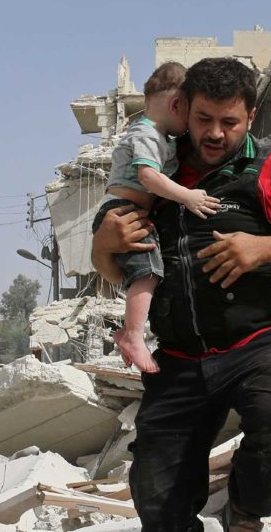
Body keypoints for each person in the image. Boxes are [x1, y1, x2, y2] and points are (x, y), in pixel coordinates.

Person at [91, 57, 271, 531]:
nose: (215, 134)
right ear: (184, 110)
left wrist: (263, 248)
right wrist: (102, 244)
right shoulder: (154, 172)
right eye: (203, 120)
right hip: (178, 357)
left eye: (229, 122)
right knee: (156, 497)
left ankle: (246, 512)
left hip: (260, 345)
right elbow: (113, 270)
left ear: (251, 118)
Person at [91, 61, 221, 374]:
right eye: (191, 115)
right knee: (148, 274)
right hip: (122, 212)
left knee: (145, 274)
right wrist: (188, 196)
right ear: (177, 105)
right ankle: (133, 335)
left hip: (131, 213)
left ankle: (129, 331)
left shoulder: (161, 137)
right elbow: (148, 177)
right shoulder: (146, 135)